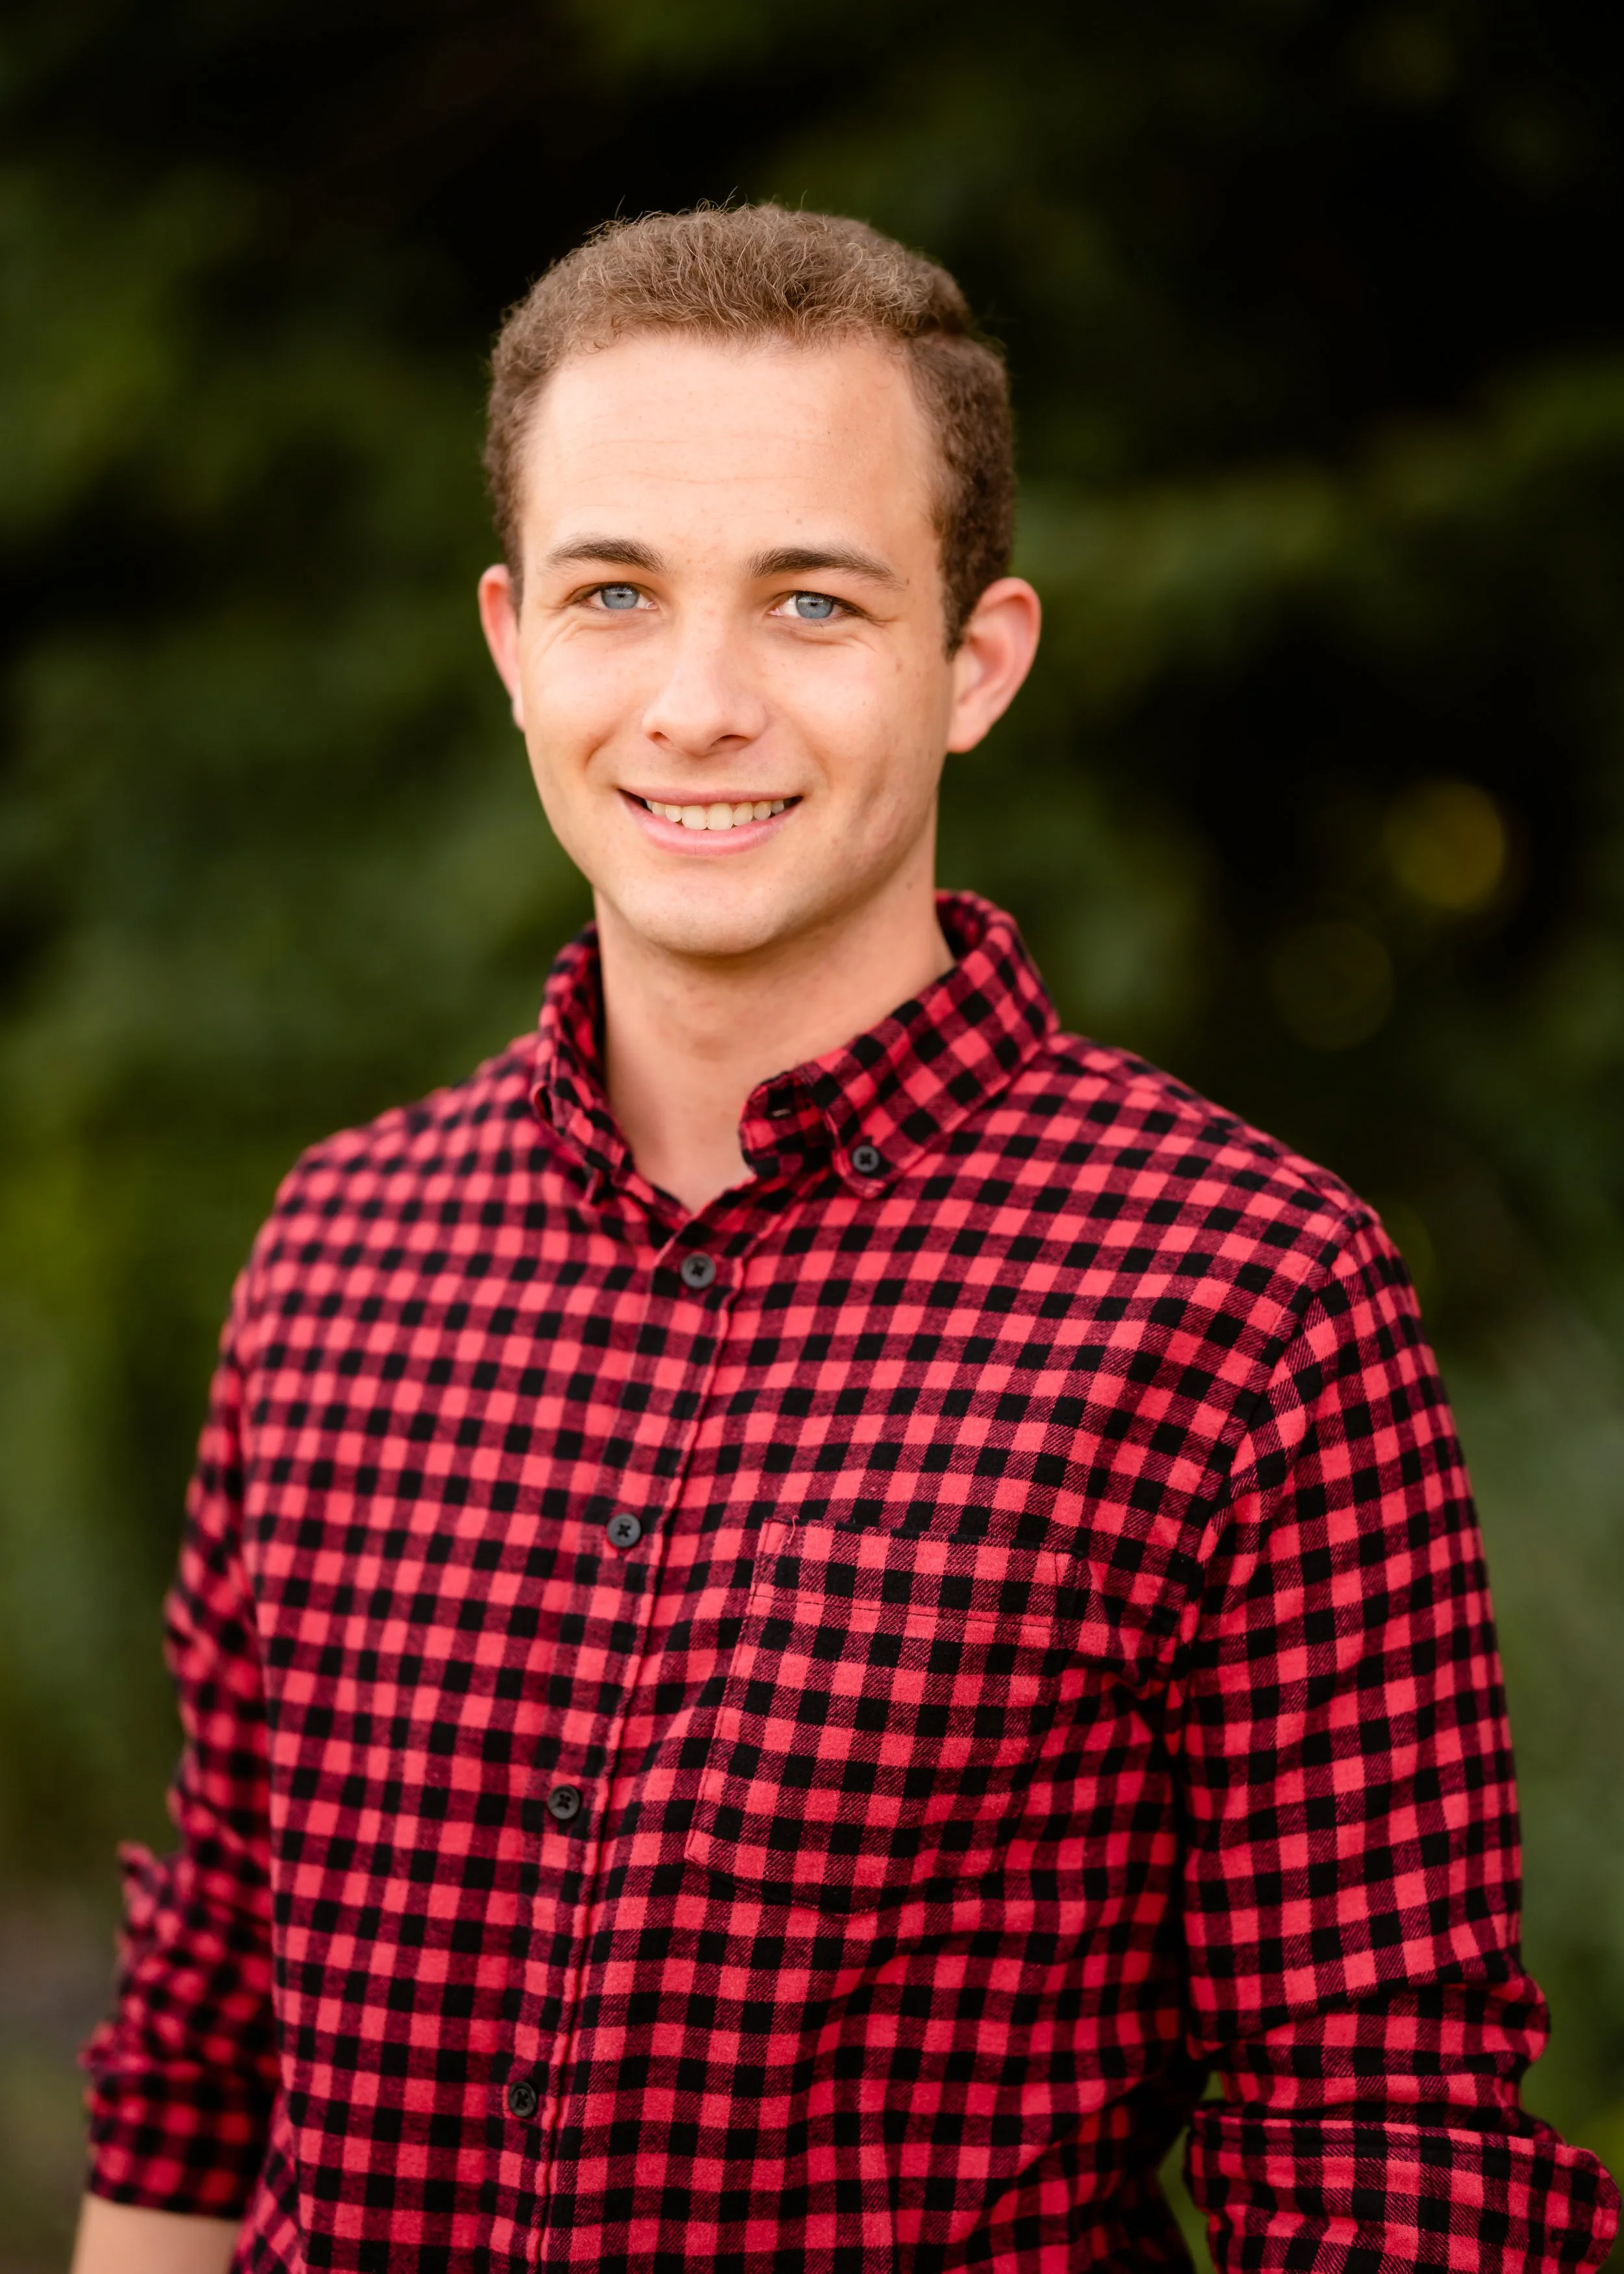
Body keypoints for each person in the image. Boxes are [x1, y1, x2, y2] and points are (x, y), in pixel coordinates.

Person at [73, 204, 1618, 2274]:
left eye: (810, 600)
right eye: (617, 593)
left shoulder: (1245, 1299)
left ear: (973, 664)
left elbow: (1385, 2160)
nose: (699, 704)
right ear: (515, 641)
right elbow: (206, 2050)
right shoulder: (338, 1251)